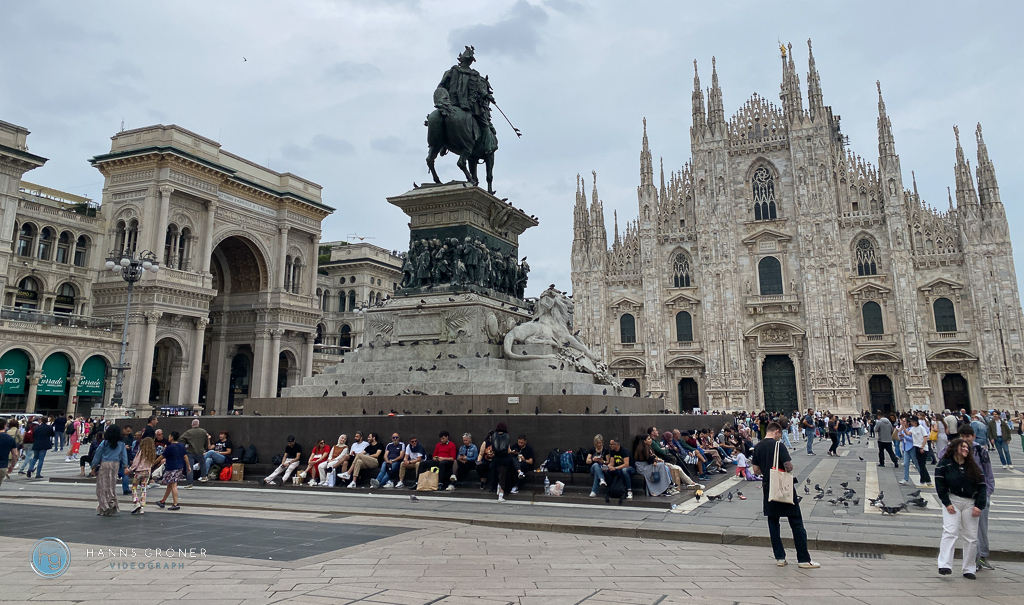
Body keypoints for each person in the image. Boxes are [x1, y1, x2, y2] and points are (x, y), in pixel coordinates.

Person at [750, 422, 820, 569]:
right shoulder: (778, 446)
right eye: (780, 435)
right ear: (777, 432)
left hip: (768, 487)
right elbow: (789, 466)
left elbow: (755, 470)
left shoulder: (758, 446)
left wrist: (767, 469)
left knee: (773, 523)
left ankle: (780, 558)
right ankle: (803, 559)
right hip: (783, 488)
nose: (779, 437)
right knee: (796, 522)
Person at [935, 438, 987, 579]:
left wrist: (979, 505)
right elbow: (940, 485)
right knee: (950, 531)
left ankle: (969, 568)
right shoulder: (944, 464)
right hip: (953, 501)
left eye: (967, 447)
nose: (965, 449)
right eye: (962, 446)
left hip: (970, 502)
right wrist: (947, 502)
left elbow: (982, 486)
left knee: (971, 537)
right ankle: (944, 565)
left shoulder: (973, 466)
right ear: (954, 448)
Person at [955, 425, 995, 570]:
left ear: (973, 436)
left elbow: (988, 472)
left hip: (981, 493)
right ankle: (974, 559)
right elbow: (942, 457)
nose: (965, 439)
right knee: (969, 529)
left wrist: (988, 491)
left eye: (968, 436)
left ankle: (982, 556)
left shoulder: (980, 451)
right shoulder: (956, 449)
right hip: (964, 495)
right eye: (962, 436)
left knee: (982, 527)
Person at [90, 425, 128, 516]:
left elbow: (98, 455)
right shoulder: (121, 444)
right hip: (115, 465)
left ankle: (104, 506)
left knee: (102, 486)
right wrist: (125, 466)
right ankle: (112, 503)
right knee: (111, 485)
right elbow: (124, 456)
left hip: (105, 464)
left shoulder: (104, 443)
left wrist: (93, 467)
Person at [156, 431, 189, 511]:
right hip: (179, 467)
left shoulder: (170, 447)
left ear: (172, 437)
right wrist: (188, 466)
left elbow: (161, 457)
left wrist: (153, 463)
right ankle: (163, 501)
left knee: (173, 485)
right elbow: (185, 457)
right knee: (170, 485)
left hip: (171, 468)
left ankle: (175, 503)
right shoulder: (181, 446)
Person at [127, 437, 157, 515]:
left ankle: (136, 502)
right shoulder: (152, 453)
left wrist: (130, 470)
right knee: (143, 488)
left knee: (134, 487)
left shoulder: (141, 452)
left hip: (139, 472)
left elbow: (135, 463)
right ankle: (142, 506)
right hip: (147, 472)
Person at [179, 419, 210, 489]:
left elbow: (181, 439)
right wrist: (204, 448)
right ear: (198, 424)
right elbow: (206, 441)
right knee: (202, 463)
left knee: (189, 467)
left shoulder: (188, 432)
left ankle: (190, 484)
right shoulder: (203, 431)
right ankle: (204, 477)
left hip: (191, 451)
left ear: (192, 425)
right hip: (200, 451)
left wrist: (186, 444)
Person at [491, 422, 512, 502]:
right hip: (504, 458)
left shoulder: (493, 435)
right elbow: (509, 450)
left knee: (497, 474)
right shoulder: (507, 436)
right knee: (503, 476)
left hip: (496, 458)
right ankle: (501, 494)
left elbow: (493, 448)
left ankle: (497, 487)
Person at [911, 416, 933, 486]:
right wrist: (903, 427)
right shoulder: (913, 428)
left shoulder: (921, 428)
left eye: (911, 421)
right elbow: (908, 433)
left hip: (922, 448)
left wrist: (922, 447)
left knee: (922, 465)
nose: (910, 423)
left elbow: (925, 437)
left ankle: (925, 480)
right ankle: (925, 480)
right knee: (920, 465)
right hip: (916, 447)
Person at [0, 420, 17, 489]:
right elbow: (15, 454)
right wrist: (12, 465)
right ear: (5, 426)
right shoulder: (10, 439)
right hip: (2, 466)